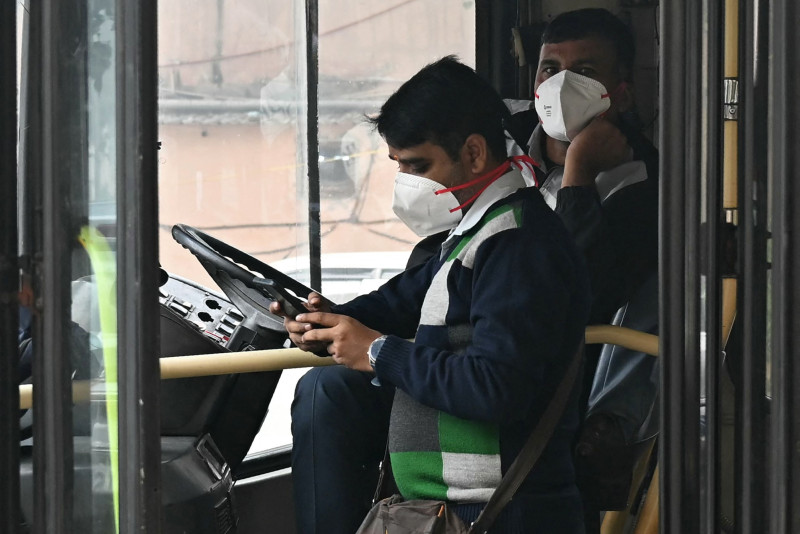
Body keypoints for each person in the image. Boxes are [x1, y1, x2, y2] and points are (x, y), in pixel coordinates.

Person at [290, 8, 660, 534]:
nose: (561, 86)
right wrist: (329, 318)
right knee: (324, 391)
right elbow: (410, 293)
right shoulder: (479, 223)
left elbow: (498, 383)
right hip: (458, 468)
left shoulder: (522, 239)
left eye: (418, 167)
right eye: (549, 68)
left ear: (474, 152)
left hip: (499, 497)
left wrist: (376, 349)